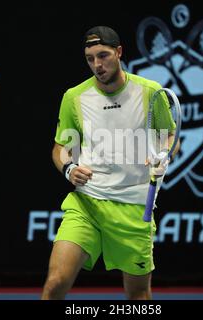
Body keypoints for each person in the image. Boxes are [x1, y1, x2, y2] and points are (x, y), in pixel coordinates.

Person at [42, 26, 179, 300]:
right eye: (90, 58)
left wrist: (163, 155)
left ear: (118, 52)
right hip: (87, 204)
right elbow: (60, 147)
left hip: (134, 209)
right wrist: (69, 168)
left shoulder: (150, 93)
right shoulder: (74, 98)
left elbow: (169, 136)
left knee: (138, 294)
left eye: (103, 56)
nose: (97, 65)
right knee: (56, 282)